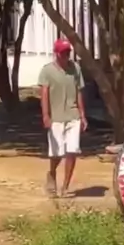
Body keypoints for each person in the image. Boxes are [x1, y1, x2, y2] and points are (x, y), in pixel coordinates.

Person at [39, 38, 87, 198]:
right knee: (57, 152)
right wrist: (46, 115)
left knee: (72, 151)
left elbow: (79, 91)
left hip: (73, 115)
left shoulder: (76, 69)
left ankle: (65, 186)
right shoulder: (47, 71)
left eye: (68, 52)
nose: (66, 55)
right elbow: (44, 94)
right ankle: (52, 173)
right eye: (63, 52)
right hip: (56, 117)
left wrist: (82, 115)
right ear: (56, 53)